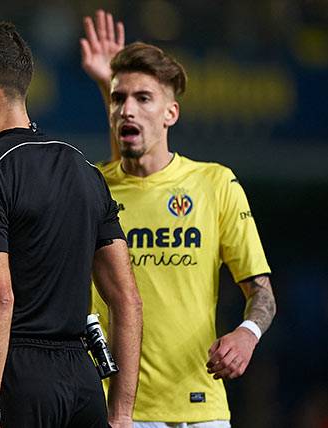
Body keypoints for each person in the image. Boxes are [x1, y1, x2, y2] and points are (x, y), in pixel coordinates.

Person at [80, 10, 277, 428]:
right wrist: (106, 83)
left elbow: (262, 293)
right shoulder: (90, 187)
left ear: (171, 114)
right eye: (118, 99)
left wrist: (248, 334)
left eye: (143, 99)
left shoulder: (214, 184)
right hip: (117, 411)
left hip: (201, 408)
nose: (127, 110)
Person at [0, 23, 143, 428]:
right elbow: (128, 300)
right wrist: (120, 415)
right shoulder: (85, 170)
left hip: (13, 381)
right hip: (83, 387)